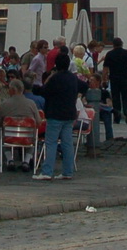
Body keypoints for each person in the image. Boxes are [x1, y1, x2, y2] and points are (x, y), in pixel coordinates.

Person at [37, 51, 86, 180]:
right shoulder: (72, 78)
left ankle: (47, 171)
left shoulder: (55, 78)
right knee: (67, 143)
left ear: (56, 64)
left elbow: (43, 91)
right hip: (69, 114)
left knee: (51, 142)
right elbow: (84, 86)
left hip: (55, 114)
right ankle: (68, 171)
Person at [101, 39, 127, 124]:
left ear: (113, 45)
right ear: (122, 44)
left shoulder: (109, 54)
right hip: (125, 78)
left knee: (115, 96)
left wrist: (104, 79)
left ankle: (117, 113)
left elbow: (105, 69)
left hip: (114, 78)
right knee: (126, 96)